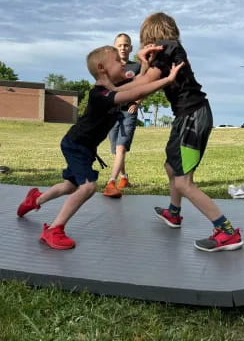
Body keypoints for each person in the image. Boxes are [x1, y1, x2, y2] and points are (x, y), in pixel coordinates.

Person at [16, 45, 184, 250]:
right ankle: (54, 229)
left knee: (70, 186)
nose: (123, 63)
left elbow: (139, 81)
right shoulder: (99, 94)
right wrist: (167, 80)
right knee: (87, 187)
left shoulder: (114, 88)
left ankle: (35, 199)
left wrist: (145, 63)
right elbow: (137, 90)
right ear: (102, 68)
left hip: (85, 148)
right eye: (117, 60)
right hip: (75, 144)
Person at [137, 12, 243, 252]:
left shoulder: (167, 49)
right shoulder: (169, 51)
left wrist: (115, 89)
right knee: (171, 167)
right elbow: (145, 85)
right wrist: (145, 66)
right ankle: (174, 214)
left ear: (151, 34)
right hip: (186, 116)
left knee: (184, 182)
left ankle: (227, 232)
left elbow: (141, 87)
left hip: (193, 117)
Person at [103, 33, 142, 198]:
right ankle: (124, 177)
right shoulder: (110, 67)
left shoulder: (137, 67)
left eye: (126, 45)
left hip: (128, 112)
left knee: (121, 147)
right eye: (119, 45)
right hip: (112, 111)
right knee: (116, 149)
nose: (123, 48)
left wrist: (137, 102)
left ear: (131, 48)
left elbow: (144, 86)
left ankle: (111, 182)